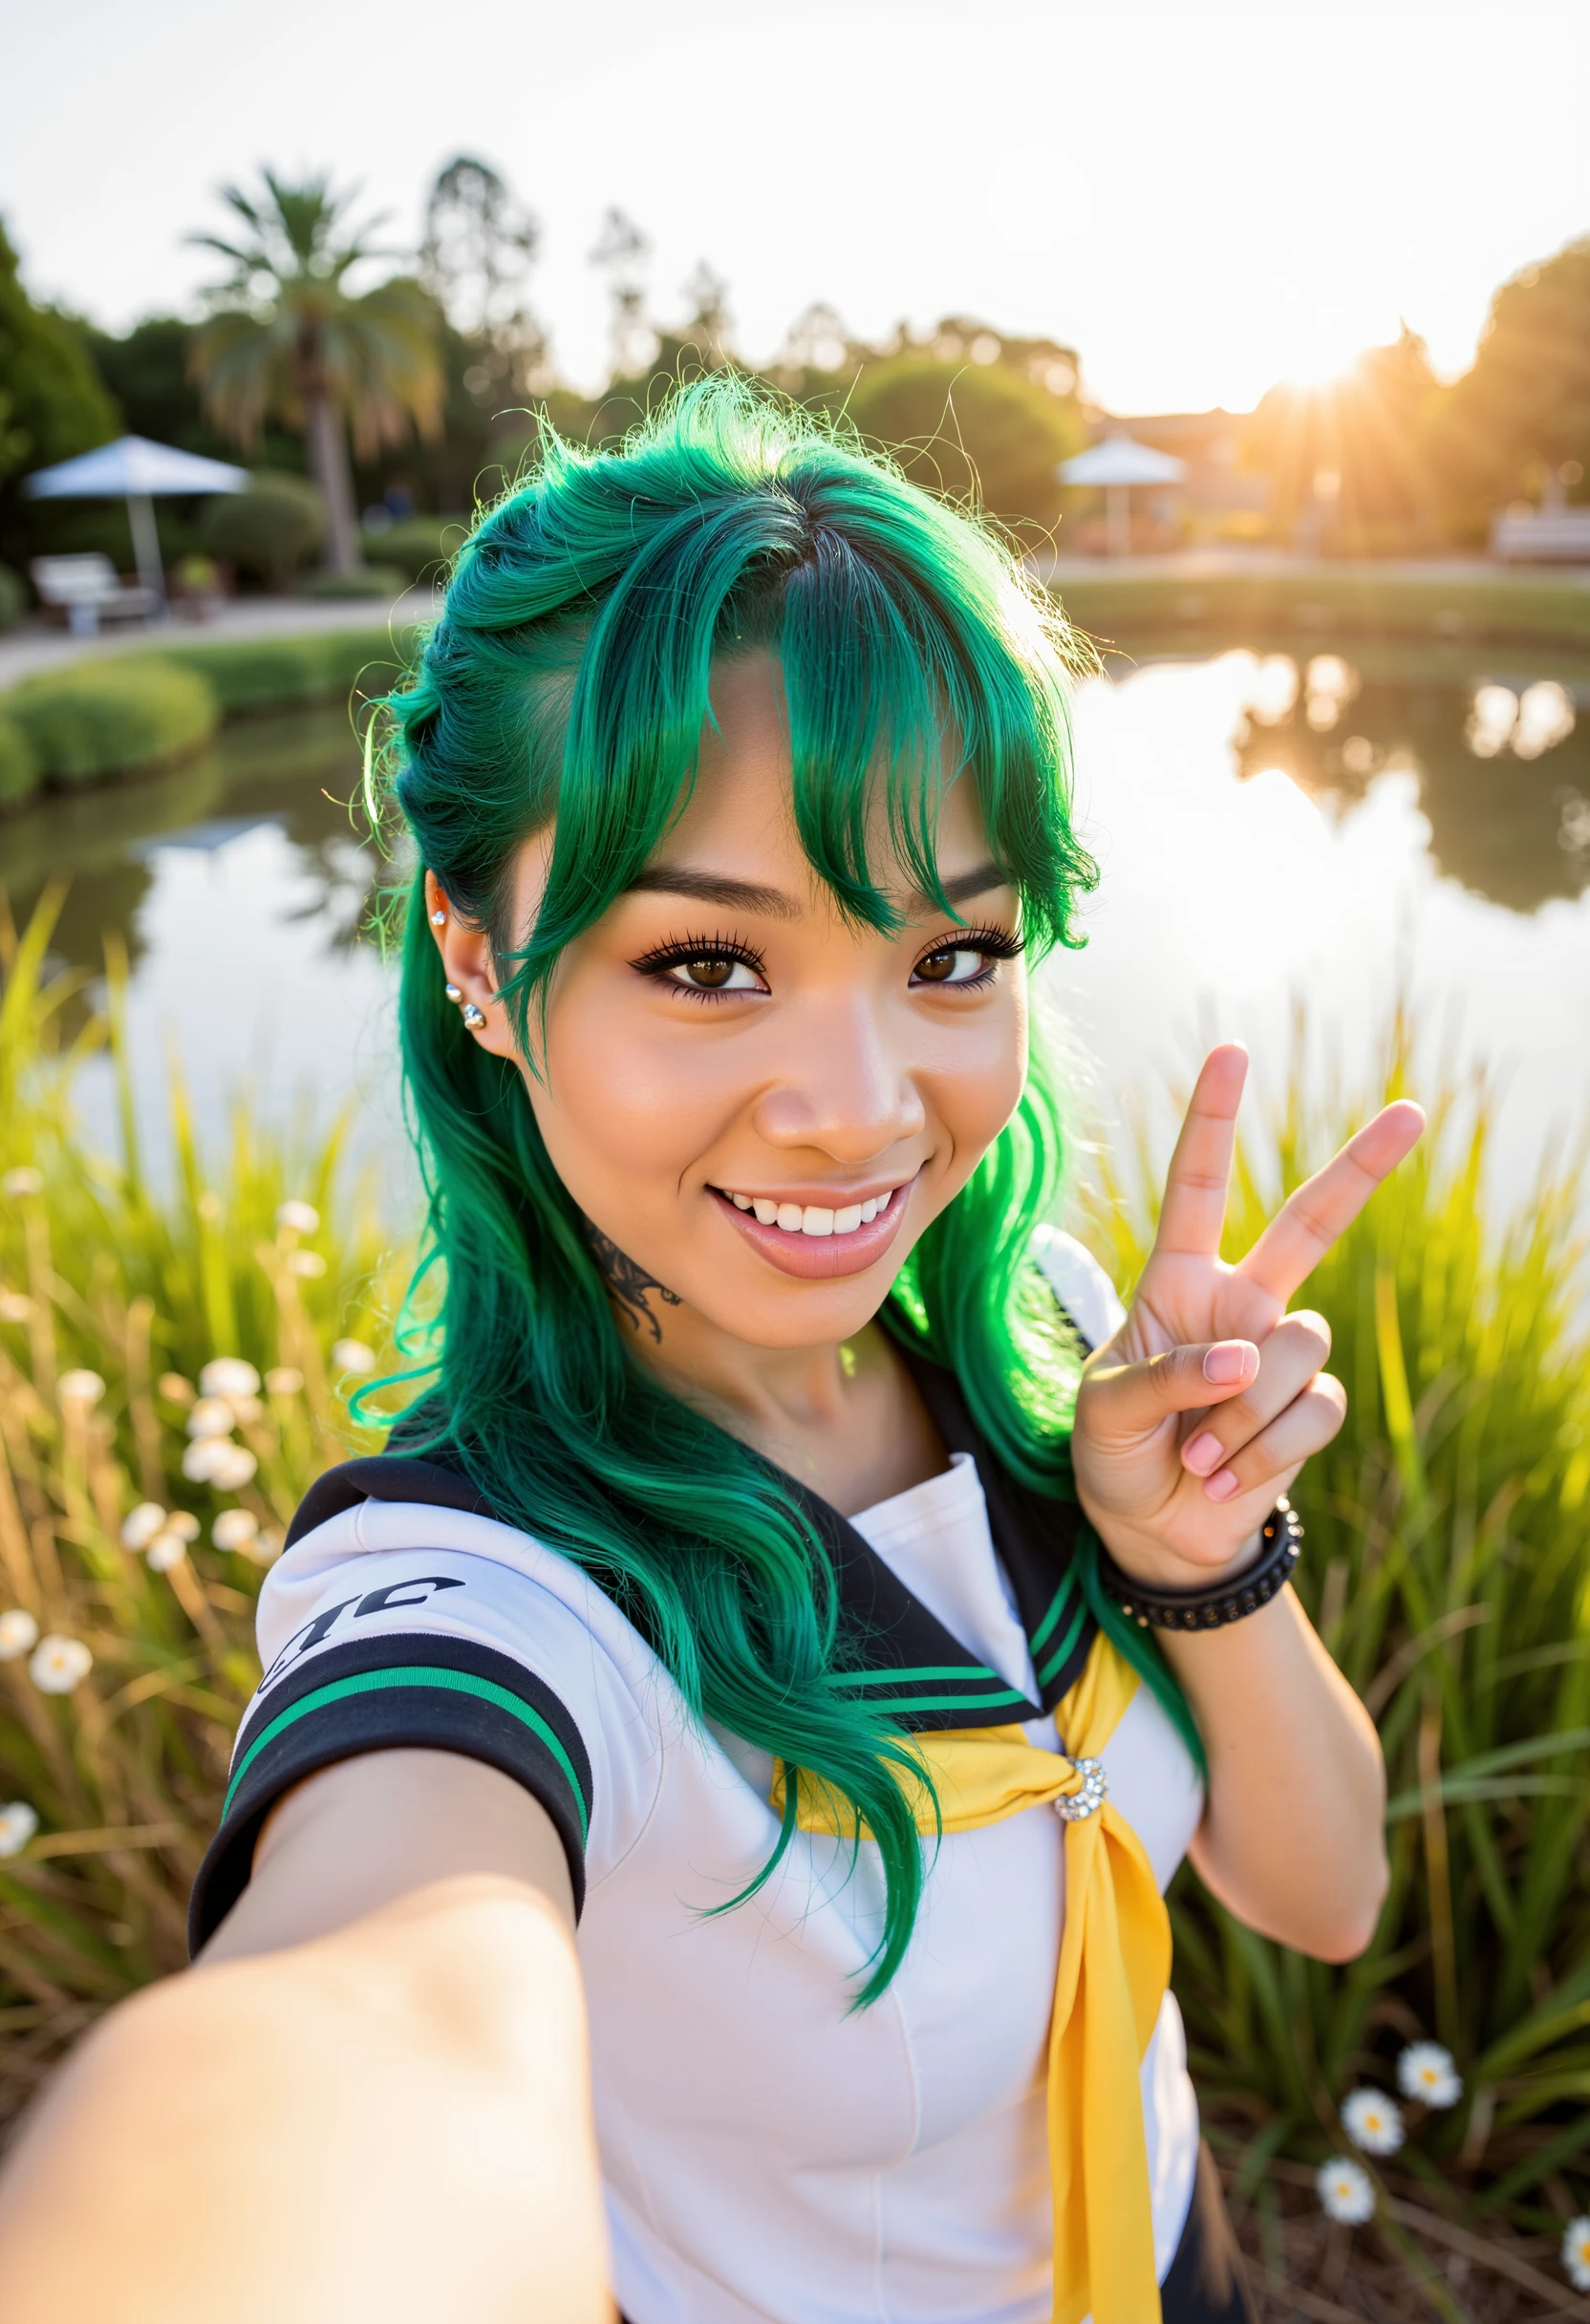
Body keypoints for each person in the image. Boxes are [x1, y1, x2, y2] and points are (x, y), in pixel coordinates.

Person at [0, 381, 1418, 2324]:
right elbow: (372, 2005)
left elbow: (1325, 1896)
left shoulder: (1056, 1345)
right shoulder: (496, 1597)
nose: (855, 1108)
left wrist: (1195, 1554)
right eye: (707, 963)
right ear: (483, 964)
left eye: (950, 958)